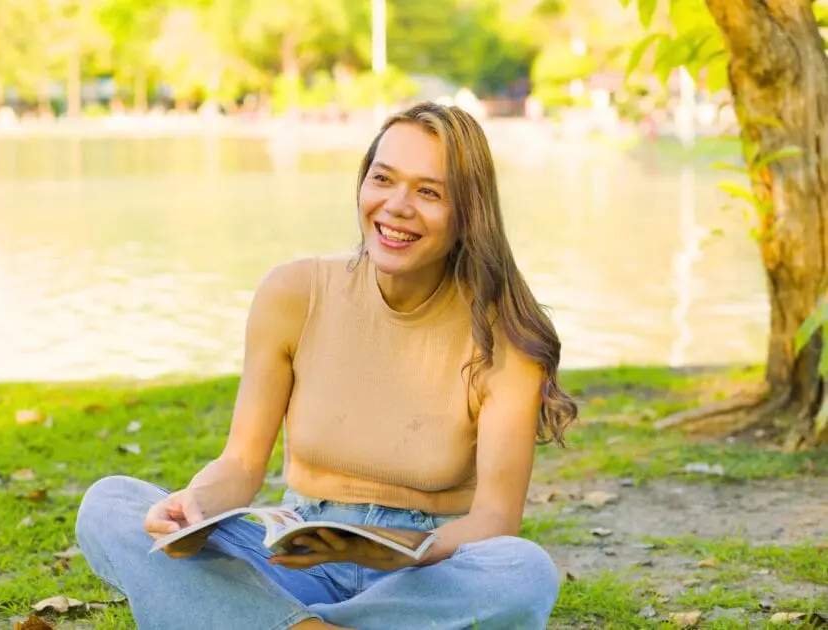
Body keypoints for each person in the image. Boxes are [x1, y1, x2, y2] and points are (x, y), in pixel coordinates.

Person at [76, 101, 578, 629]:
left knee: (525, 572)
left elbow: (496, 520)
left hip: (423, 570)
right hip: (295, 558)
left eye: (428, 191)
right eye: (383, 179)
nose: (397, 206)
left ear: (468, 213)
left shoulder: (505, 338)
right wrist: (193, 505)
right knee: (109, 506)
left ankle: (272, 621)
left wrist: (408, 546)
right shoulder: (293, 294)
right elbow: (242, 466)